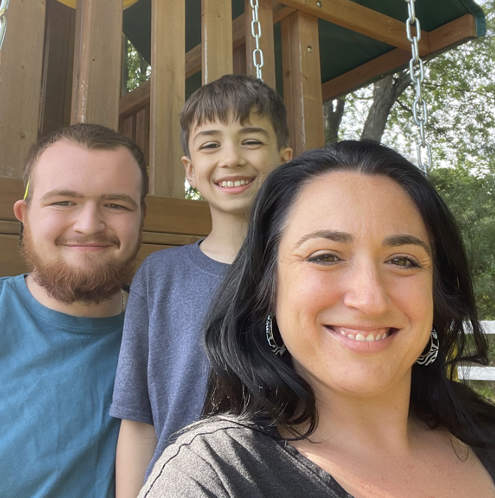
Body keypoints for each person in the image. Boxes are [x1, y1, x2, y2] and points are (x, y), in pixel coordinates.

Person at [140, 141, 495, 497]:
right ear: (269, 287)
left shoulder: (486, 435)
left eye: (402, 260)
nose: (370, 299)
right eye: (326, 256)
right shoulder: (214, 476)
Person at [110, 74, 293, 495]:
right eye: (211, 144)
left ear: (284, 159)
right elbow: (138, 420)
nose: (230, 158)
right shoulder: (159, 276)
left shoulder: (313, 272)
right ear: (190, 170)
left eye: (250, 140)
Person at [0, 123, 147, 497]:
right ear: (24, 215)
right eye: (63, 201)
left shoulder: (168, 335)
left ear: (140, 219)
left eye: (115, 205)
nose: (88, 226)